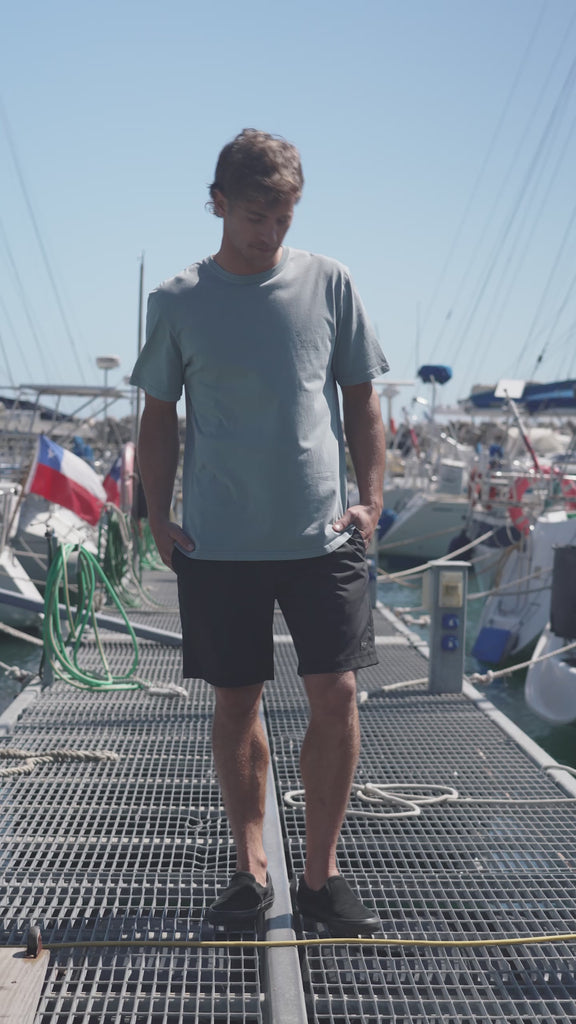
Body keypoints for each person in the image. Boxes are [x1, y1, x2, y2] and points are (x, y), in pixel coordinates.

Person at [131, 129, 389, 935]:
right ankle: (251, 872)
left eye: (283, 217)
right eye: (254, 216)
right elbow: (158, 416)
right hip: (220, 542)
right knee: (236, 702)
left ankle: (320, 878)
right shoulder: (177, 300)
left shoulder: (331, 283)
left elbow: (362, 400)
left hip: (324, 537)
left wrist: (373, 501)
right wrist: (157, 513)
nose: (270, 232)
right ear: (218, 203)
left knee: (337, 695)